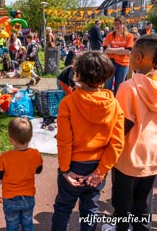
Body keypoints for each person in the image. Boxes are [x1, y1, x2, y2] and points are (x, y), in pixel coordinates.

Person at [51, 51, 125, 231]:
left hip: (73, 164)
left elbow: (64, 140)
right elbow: (117, 143)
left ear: (77, 75)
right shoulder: (114, 104)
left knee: (63, 208)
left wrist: (65, 169)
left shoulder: (68, 103)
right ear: (107, 76)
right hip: (98, 166)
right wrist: (101, 171)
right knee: (90, 208)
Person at [102, 35, 157, 231]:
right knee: (143, 205)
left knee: (122, 206)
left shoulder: (128, 87)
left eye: (131, 52)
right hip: (152, 157)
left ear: (139, 57)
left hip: (128, 157)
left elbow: (123, 125)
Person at [0, 117, 43, 231]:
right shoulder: (35, 154)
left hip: (10, 198)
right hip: (28, 196)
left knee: (12, 224)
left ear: (11, 139)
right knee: (27, 222)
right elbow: (38, 170)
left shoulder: (5, 157)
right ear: (30, 137)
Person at [103, 16, 134, 95]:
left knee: (119, 86)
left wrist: (112, 51)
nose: (116, 26)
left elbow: (128, 51)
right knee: (107, 85)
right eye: (115, 24)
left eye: (119, 24)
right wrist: (121, 48)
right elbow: (105, 50)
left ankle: (117, 103)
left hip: (123, 64)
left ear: (123, 24)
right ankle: (106, 102)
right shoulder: (109, 35)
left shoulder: (129, 36)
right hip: (110, 63)